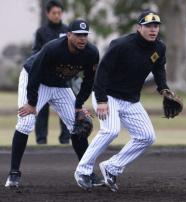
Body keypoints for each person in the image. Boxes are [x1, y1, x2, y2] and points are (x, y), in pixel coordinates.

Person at [75, 11, 174, 192]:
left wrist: (164, 89)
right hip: (108, 95)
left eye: (156, 26)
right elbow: (102, 72)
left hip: (131, 99)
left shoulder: (159, 48)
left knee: (147, 136)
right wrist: (102, 100)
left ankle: (111, 167)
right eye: (148, 26)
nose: (153, 29)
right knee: (111, 130)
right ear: (139, 28)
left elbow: (159, 68)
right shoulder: (121, 45)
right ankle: (83, 171)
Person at [5, 19, 104, 188]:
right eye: (78, 35)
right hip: (35, 79)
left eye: (85, 35)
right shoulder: (53, 48)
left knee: (77, 124)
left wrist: (78, 106)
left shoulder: (91, 53)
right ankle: (14, 173)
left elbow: (89, 81)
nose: (82, 38)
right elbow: (35, 73)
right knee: (26, 122)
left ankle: (87, 172)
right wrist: (31, 103)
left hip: (59, 85)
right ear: (69, 35)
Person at [33, 0, 70, 144]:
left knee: (66, 110)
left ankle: (65, 139)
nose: (56, 15)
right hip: (44, 79)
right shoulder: (41, 32)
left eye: (59, 13)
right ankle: (41, 141)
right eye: (54, 13)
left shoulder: (68, 31)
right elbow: (36, 52)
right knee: (41, 110)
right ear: (47, 13)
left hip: (63, 78)